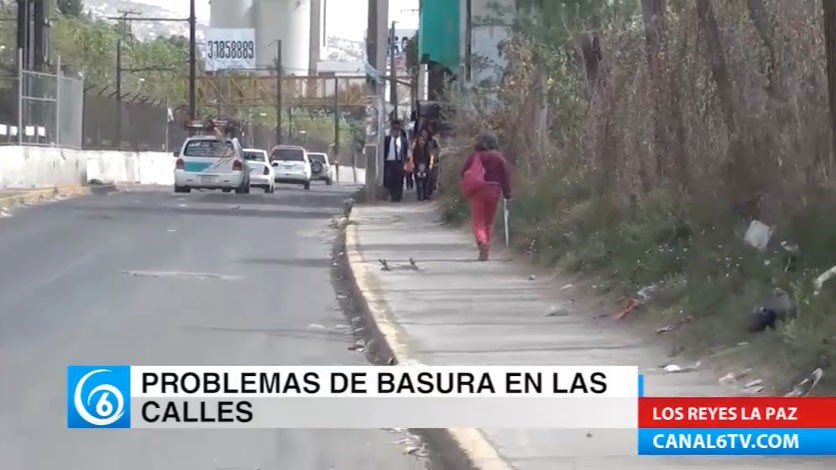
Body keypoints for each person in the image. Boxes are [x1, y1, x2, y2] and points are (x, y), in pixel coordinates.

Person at [459, 133, 511, 261]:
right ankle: (486, 244)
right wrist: (507, 193)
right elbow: (505, 176)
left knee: (478, 221)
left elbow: (463, 173)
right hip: (494, 190)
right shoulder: (499, 158)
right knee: (489, 221)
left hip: (477, 191)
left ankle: (482, 242)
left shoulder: (474, 157)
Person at [383, 120, 408, 202]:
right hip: (389, 163)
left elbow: (405, 152)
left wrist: (405, 161)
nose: (395, 132)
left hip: (399, 162)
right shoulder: (387, 140)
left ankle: (398, 196)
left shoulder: (403, 140)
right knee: (390, 179)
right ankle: (392, 195)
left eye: (397, 130)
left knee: (399, 179)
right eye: (394, 130)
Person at [411, 133, 434, 201]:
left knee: (426, 181)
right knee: (418, 182)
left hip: (426, 165)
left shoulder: (428, 148)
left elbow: (431, 156)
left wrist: (430, 165)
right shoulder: (415, 149)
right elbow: (412, 157)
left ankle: (425, 195)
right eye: (420, 140)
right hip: (417, 166)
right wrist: (413, 165)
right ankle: (419, 196)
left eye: (423, 140)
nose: (421, 142)